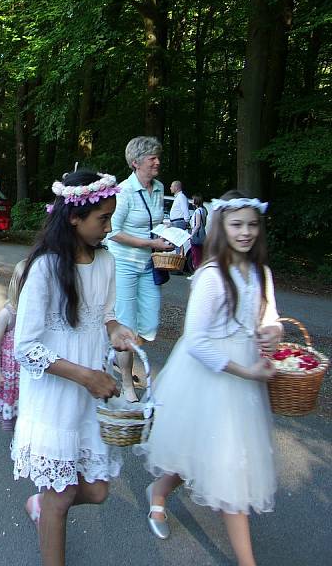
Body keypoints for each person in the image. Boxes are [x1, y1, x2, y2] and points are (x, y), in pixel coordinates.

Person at [136, 191, 282, 566]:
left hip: (244, 379)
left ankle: (159, 489)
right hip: (211, 374)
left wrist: (271, 331)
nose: (246, 232)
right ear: (220, 227)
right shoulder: (213, 276)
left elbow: (269, 317)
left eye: (252, 224)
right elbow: (197, 339)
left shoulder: (259, 272)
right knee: (226, 465)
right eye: (236, 225)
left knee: (203, 453)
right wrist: (246, 370)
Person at [11, 169, 139, 566]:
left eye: (111, 217)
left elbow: (107, 316)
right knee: (62, 497)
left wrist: (117, 331)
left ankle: (42, 505)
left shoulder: (106, 262)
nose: (109, 227)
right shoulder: (45, 269)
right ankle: (49, 511)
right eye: (103, 219)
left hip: (90, 397)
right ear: (74, 218)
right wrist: (85, 376)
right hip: (55, 395)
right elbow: (26, 348)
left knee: (98, 490)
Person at [106, 137, 174, 401]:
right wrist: (150, 242)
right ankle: (126, 382)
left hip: (148, 264)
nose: (157, 161)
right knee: (126, 324)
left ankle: (115, 352)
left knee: (149, 325)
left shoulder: (158, 188)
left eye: (158, 156)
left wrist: (168, 234)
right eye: (152, 158)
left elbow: (156, 221)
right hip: (123, 264)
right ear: (136, 163)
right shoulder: (123, 191)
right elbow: (113, 231)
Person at [0, 259, 25, 432]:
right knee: (14, 404)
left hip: (27, 372)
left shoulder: (38, 314)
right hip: (10, 373)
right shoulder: (8, 314)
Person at [189, 193, 207, 270]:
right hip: (202, 235)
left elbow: (197, 225)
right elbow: (204, 223)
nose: (192, 200)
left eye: (193, 199)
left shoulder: (197, 211)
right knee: (200, 254)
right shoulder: (204, 210)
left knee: (195, 254)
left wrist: (191, 235)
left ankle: (196, 271)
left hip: (197, 235)